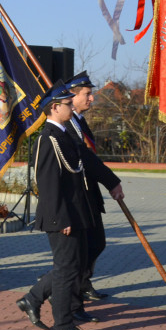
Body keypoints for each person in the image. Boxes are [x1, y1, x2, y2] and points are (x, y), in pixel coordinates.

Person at [16, 82, 99, 330]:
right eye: (66, 103)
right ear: (54, 107)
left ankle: (32, 298)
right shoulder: (48, 138)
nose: (71, 105)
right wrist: (60, 217)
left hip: (75, 213)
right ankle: (62, 324)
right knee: (66, 270)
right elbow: (48, 183)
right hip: (61, 217)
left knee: (72, 266)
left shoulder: (64, 135)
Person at [66, 71, 124, 300]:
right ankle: (55, 287)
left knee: (97, 243)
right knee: (84, 247)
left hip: (90, 193)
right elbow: (87, 159)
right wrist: (112, 181)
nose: (92, 99)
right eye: (87, 94)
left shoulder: (79, 121)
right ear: (72, 96)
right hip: (78, 196)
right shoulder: (68, 125)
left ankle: (81, 282)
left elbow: (92, 158)